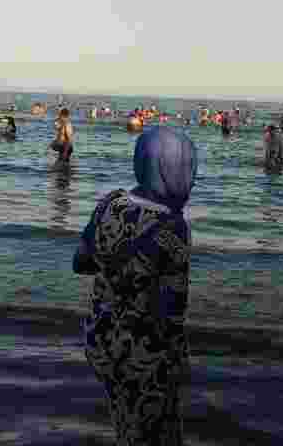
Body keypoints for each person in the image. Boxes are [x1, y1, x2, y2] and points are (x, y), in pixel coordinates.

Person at [73, 127, 196, 446]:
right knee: (152, 430)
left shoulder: (108, 203)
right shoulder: (174, 229)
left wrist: (118, 274)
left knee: (124, 418)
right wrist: (178, 365)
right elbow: (172, 312)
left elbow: (80, 262)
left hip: (101, 341)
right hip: (142, 353)